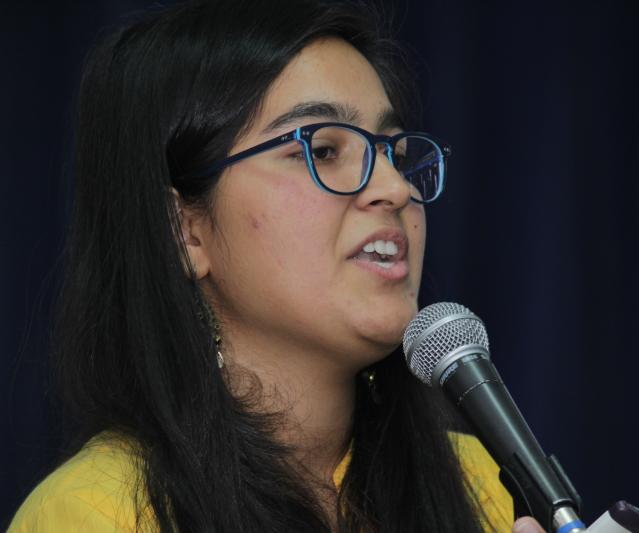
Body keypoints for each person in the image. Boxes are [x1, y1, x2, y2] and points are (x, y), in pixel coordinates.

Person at [9, 1, 544, 531]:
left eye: (396, 155)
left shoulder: (485, 486)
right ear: (184, 231)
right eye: (324, 150)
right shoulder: (97, 513)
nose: (395, 188)